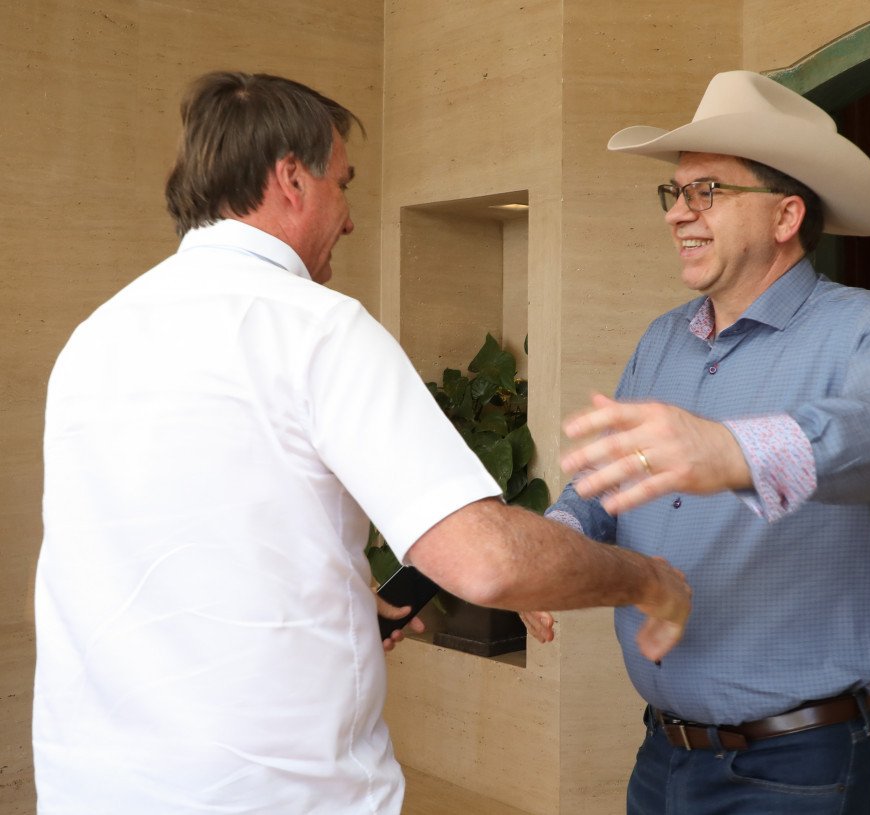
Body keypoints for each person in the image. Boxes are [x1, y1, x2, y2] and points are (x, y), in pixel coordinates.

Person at [33, 71, 691, 815]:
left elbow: (196, 542)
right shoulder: (315, 325)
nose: (350, 219)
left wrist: (355, 603)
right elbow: (489, 560)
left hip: (91, 786)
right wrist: (647, 580)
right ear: (290, 179)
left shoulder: (96, 338)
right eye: (343, 184)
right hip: (275, 795)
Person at [521, 70, 870, 814]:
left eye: (707, 192)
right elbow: (604, 483)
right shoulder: (662, 339)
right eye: (675, 193)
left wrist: (736, 450)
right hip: (663, 753)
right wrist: (556, 541)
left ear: (786, 215)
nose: (677, 214)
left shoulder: (867, 325)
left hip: (797, 765)